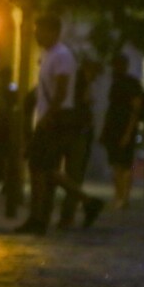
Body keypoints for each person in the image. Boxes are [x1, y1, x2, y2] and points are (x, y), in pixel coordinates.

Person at [14, 14, 103, 234]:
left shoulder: (62, 56)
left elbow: (62, 91)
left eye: (40, 30)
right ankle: (43, 215)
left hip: (56, 119)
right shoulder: (48, 55)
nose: (36, 35)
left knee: (43, 167)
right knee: (42, 168)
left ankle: (45, 216)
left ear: (53, 32)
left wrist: (47, 117)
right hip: (50, 117)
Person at [100, 53, 144, 210]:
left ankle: (124, 197)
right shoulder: (117, 82)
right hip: (114, 128)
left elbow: (135, 109)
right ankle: (118, 195)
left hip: (124, 128)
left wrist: (128, 132)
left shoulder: (132, 84)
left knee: (124, 165)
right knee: (116, 164)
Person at [59, 57, 101, 228]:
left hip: (77, 130)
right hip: (76, 131)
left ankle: (69, 215)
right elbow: (82, 103)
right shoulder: (80, 82)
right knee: (72, 174)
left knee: (72, 174)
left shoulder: (81, 82)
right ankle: (76, 210)